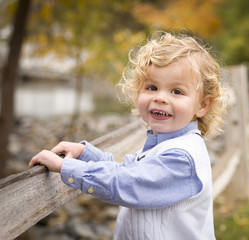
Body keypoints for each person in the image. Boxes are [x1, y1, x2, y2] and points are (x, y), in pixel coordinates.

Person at [29, 32, 228, 240]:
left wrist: (66, 167)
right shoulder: (164, 144)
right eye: (152, 87)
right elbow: (129, 171)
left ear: (203, 105)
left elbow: (126, 183)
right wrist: (86, 154)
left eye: (177, 91)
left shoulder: (182, 158)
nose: (160, 97)